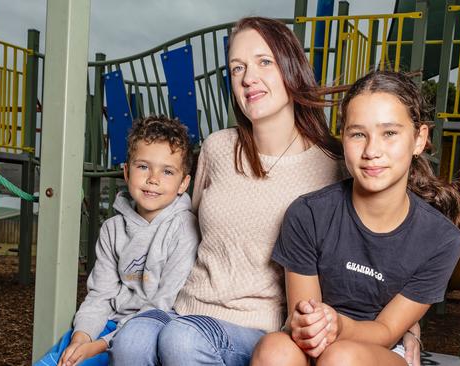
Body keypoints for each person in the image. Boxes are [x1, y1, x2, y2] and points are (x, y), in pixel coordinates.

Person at [109, 17, 422, 366]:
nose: (248, 78)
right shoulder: (217, 148)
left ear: (291, 68)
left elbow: (372, 247)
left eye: (263, 62)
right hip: (186, 309)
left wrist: (407, 326)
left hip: (262, 328)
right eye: (237, 67)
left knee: (183, 341)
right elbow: (184, 228)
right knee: (132, 340)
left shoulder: (336, 163)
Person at [252, 70, 460, 366]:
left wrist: (340, 325)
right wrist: (311, 324)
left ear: (419, 139)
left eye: (389, 133)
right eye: (358, 134)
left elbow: (387, 331)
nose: (372, 151)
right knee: (274, 349)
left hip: (382, 349)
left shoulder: (440, 239)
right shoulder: (308, 214)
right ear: (343, 137)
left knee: (341, 358)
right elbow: (302, 320)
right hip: (317, 343)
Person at [34, 115, 200, 366]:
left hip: (151, 331)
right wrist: (81, 338)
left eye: (167, 171)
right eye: (143, 166)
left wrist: (99, 346)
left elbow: (164, 305)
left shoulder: (184, 230)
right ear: (126, 171)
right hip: (106, 325)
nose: (153, 178)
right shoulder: (112, 228)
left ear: (183, 183)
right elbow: (100, 295)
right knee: (60, 359)